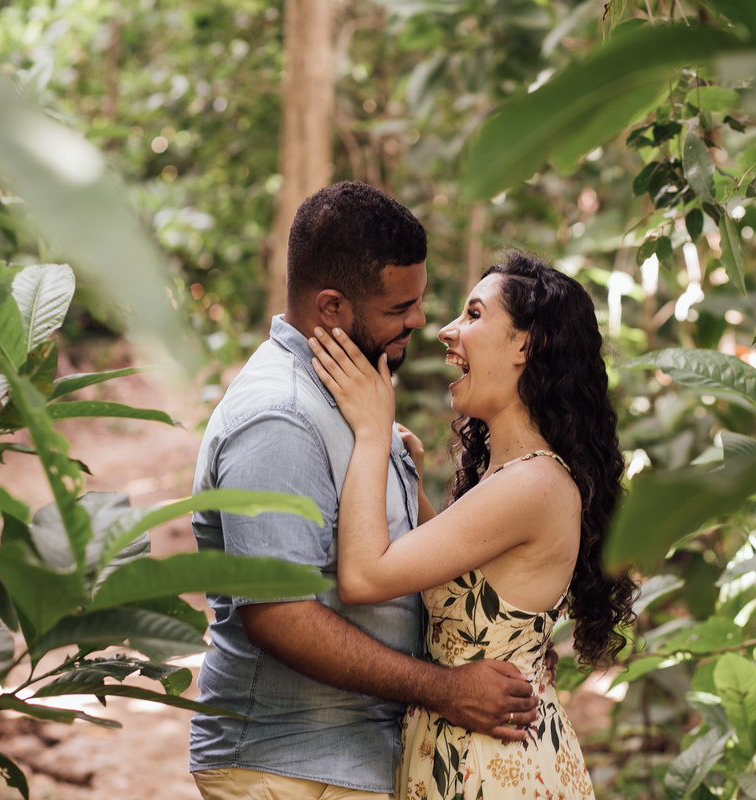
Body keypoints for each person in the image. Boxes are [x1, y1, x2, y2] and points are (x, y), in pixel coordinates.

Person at [189, 183, 542, 800]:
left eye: (420, 300)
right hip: (289, 767)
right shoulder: (283, 416)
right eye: (397, 308)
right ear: (332, 307)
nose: (419, 321)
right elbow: (280, 615)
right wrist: (445, 689)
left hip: (347, 761)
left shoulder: (353, 396)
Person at [308, 253, 637, 800]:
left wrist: (371, 433)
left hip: (493, 768)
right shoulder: (517, 477)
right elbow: (463, 582)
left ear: (524, 346)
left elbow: (364, 578)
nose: (446, 331)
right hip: (470, 755)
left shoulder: (532, 484)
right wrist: (407, 482)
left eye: (474, 315)